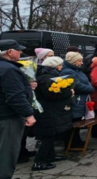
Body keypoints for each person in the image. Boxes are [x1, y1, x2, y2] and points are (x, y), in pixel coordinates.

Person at [0, 40, 36, 178]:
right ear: (10, 52)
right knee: (6, 155)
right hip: (8, 118)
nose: (21, 52)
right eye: (18, 50)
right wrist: (28, 114)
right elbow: (14, 96)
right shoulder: (8, 69)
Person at [32, 57, 73, 171]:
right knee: (49, 135)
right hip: (48, 111)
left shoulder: (44, 76)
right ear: (54, 66)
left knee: (50, 134)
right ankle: (39, 162)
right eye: (59, 65)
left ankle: (50, 156)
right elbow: (50, 95)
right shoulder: (47, 78)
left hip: (48, 110)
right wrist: (68, 92)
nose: (61, 67)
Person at [60, 51, 93, 148]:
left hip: (80, 100)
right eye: (79, 61)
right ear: (73, 61)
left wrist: (89, 87)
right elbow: (77, 86)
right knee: (74, 122)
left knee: (77, 120)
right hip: (76, 100)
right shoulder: (68, 71)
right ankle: (72, 143)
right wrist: (90, 88)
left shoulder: (77, 70)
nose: (82, 63)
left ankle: (76, 141)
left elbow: (86, 81)